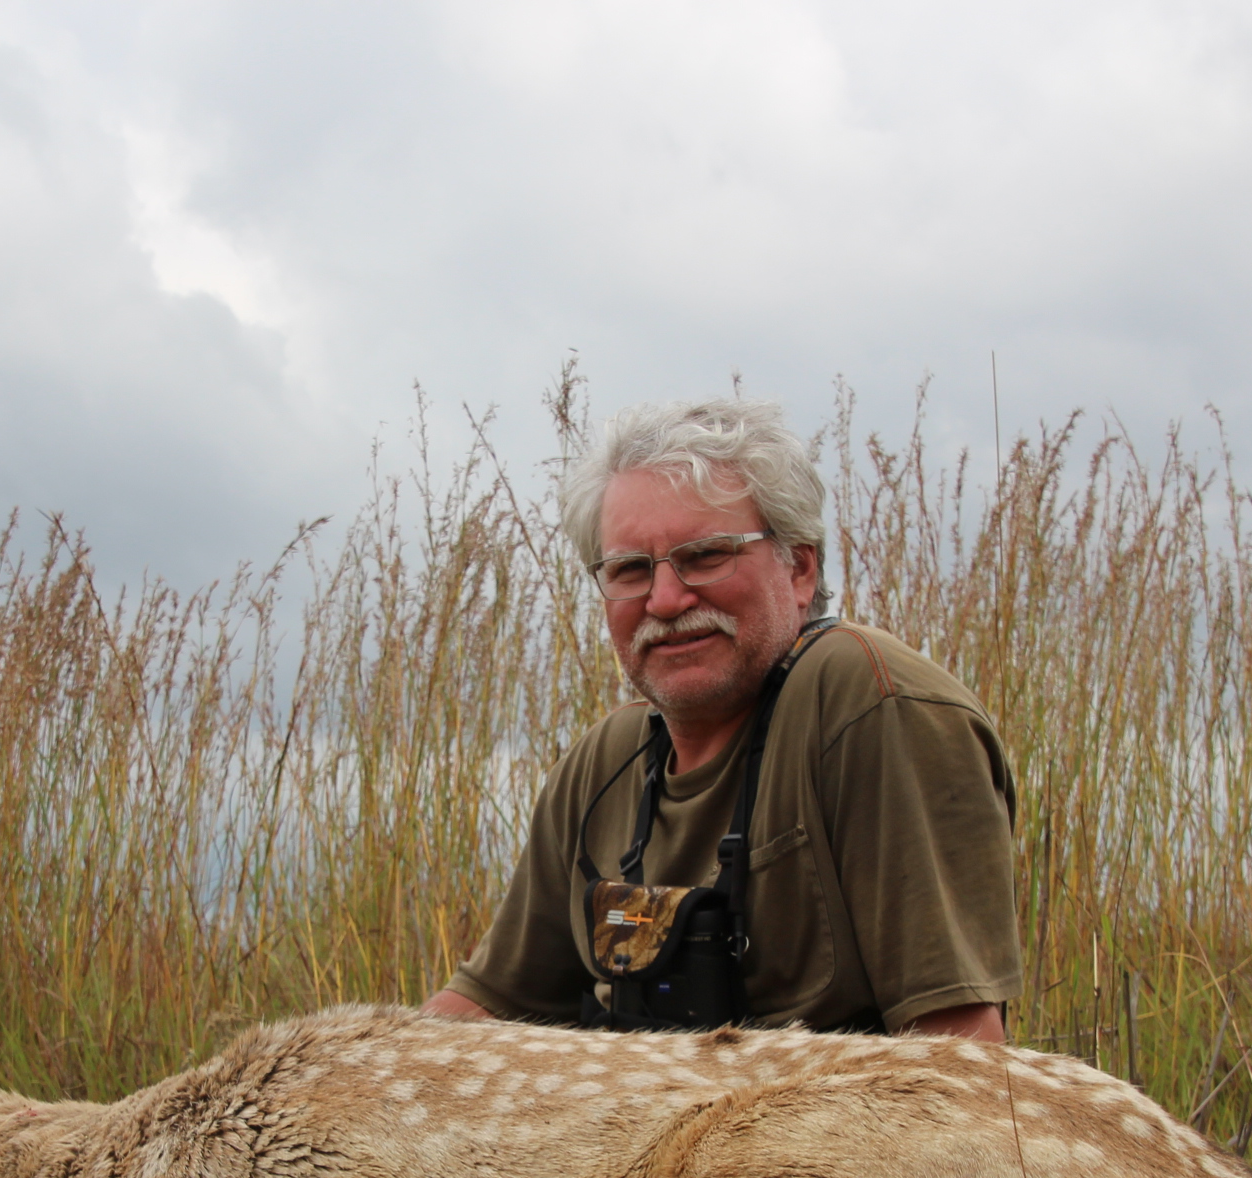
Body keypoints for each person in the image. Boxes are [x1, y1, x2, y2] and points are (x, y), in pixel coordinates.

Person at [423, 398, 1020, 1038]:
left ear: (799, 567)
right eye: (629, 569)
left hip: (829, 1136)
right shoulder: (607, 759)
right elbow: (483, 1010)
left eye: (705, 555)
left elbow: (963, 1056)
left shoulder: (870, 703)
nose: (666, 599)